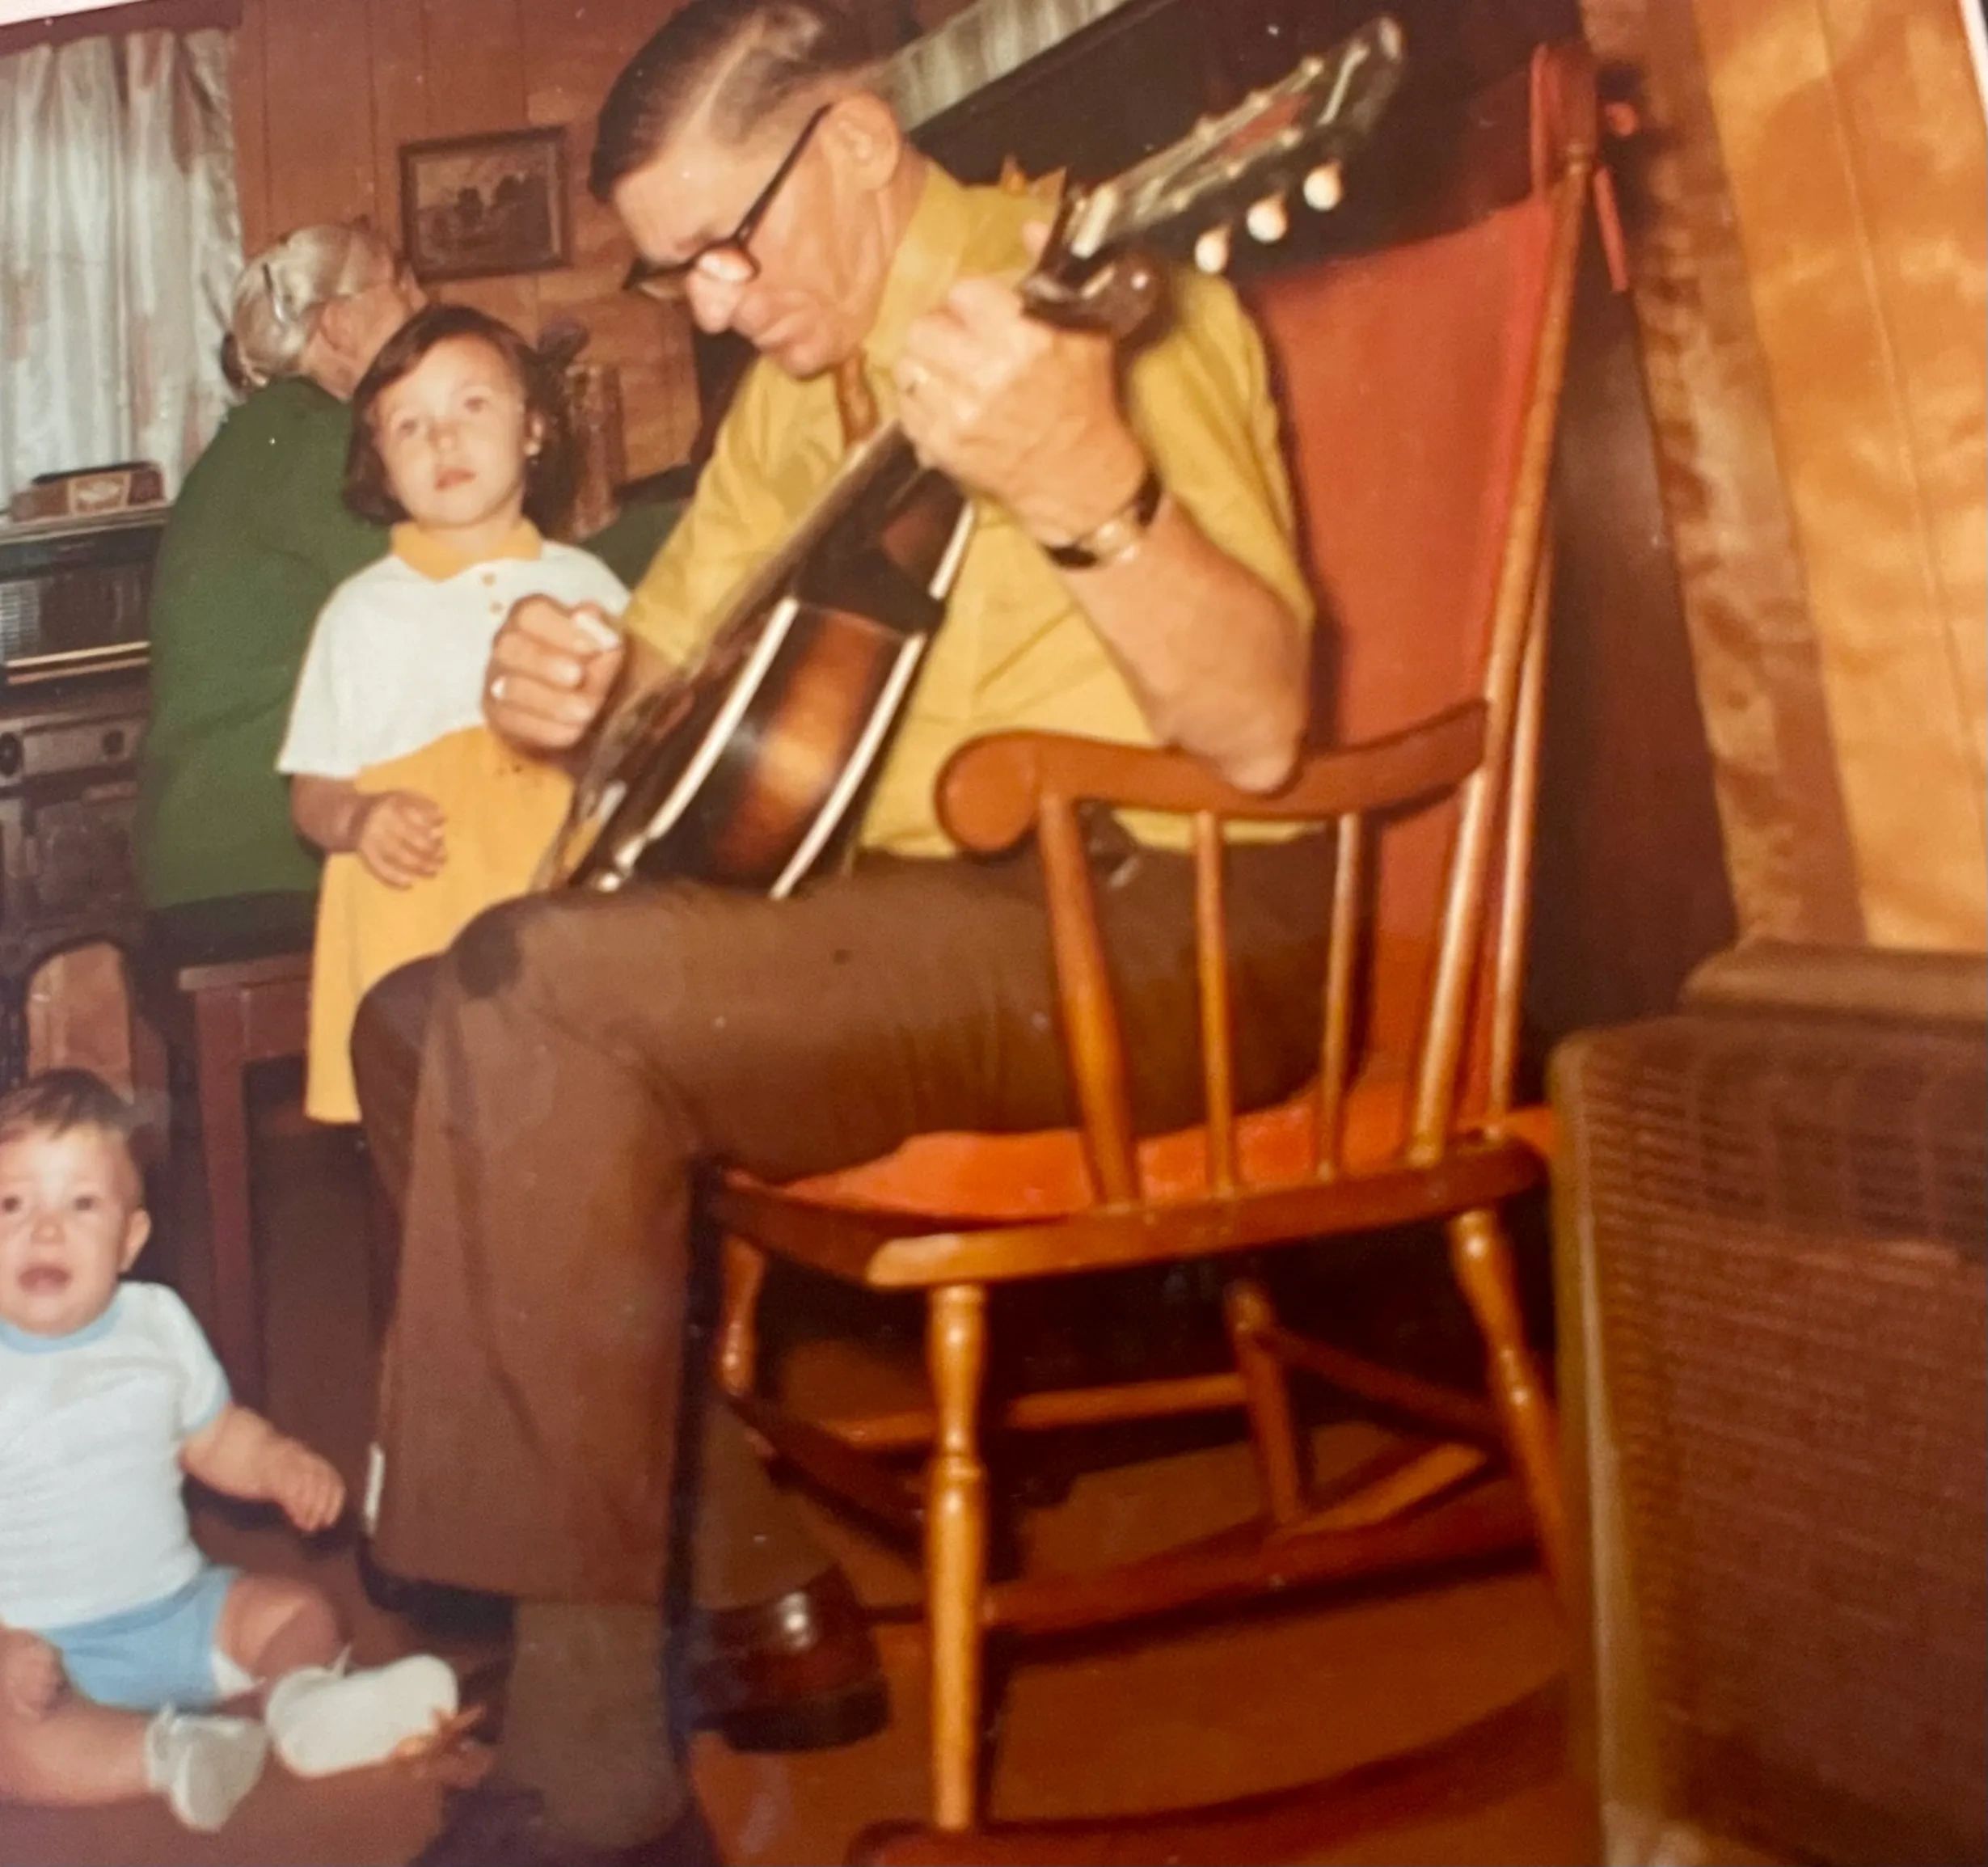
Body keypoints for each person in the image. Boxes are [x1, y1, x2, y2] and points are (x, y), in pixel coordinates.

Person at [354, 2, 1325, 1860]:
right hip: (917, 918)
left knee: (534, 1000)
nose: (709, 304)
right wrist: (580, 690)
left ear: (863, 143)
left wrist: (1083, 486)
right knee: (420, 1017)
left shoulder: (1090, 292)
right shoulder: (794, 390)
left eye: (729, 245)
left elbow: (1267, 724)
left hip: (1167, 917)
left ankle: (593, 1773)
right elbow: (681, 689)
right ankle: (759, 1587)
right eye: (673, 273)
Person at [0, 1071, 458, 1834]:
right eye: (12, 1204)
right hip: (33, 1645)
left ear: (130, 1240)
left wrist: (278, 1461)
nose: (45, 1231)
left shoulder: (157, 1323)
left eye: (81, 1204)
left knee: (298, 1610)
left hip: (179, 1611)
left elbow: (213, 1437)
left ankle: (306, 1708)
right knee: (8, 1747)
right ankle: (171, 1753)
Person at [280, 305, 627, 1124]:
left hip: (558, 902)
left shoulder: (592, 589)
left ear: (534, 427)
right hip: (420, 915)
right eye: (410, 425)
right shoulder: (359, 613)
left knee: (583, 1123)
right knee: (440, 1142)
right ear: (380, 466)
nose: (444, 440)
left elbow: (637, 752)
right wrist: (359, 816)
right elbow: (311, 793)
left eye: (472, 405)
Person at [137, 223, 424, 911]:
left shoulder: (268, 432)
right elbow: (447, 597)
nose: (424, 298)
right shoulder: (319, 441)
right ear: (340, 324)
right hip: (265, 863)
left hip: (208, 859)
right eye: (404, 281)